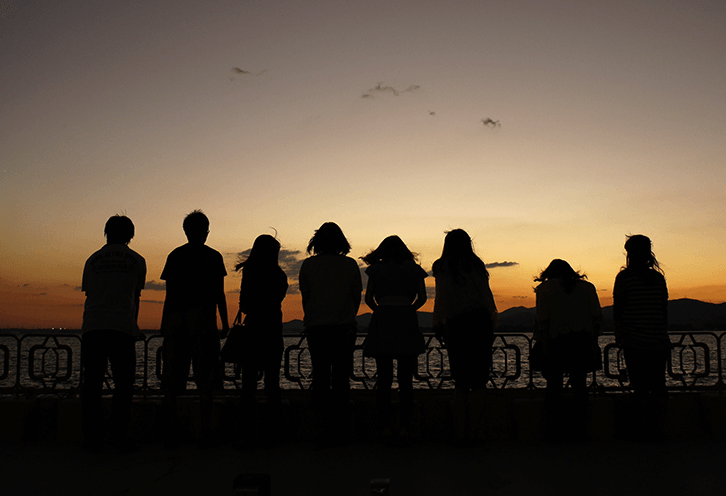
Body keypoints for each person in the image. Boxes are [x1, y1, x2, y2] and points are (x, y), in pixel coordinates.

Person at [160, 210, 230, 447]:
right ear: (206, 231)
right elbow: (219, 293)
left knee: (172, 378)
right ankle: (205, 430)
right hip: (204, 322)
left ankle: (170, 431)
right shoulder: (213, 256)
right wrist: (225, 323)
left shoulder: (175, 255)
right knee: (206, 380)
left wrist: (164, 324)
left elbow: (170, 294)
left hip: (176, 321)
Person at [81, 215, 146, 453]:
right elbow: (135, 297)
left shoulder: (92, 260)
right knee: (124, 385)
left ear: (106, 232)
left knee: (92, 385)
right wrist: (134, 325)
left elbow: (90, 294)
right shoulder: (137, 260)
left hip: (93, 327)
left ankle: (93, 437)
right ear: (130, 235)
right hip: (121, 328)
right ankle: (118, 434)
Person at [298, 222, 362, 446]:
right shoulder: (350, 265)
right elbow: (356, 297)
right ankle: (341, 430)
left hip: (317, 328)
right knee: (342, 380)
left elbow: (306, 298)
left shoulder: (308, 265)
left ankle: (321, 429)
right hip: (344, 328)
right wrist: (346, 316)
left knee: (320, 378)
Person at [432, 229, 497, 446]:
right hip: (478, 323)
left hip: (455, 325)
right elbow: (485, 295)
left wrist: (438, 323)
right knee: (479, 381)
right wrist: (493, 320)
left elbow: (440, 298)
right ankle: (476, 431)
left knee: (460, 381)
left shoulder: (441, 267)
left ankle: (460, 433)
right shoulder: (474, 265)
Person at [361, 235, 427, 443]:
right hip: (406, 320)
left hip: (383, 320)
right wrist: (408, 309)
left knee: (384, 378)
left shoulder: (376, 269)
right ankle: (405, 427)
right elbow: (423, 297)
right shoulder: (414, 269)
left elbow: (368, 298)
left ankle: (386, 427)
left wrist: (381, 310)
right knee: (406, 379)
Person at [534, 259, 602, 441]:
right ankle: (579, 429)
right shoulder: (587, 288)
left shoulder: (544, 289)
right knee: (580, 386)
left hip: (555, 342)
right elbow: (596, 317)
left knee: (553, 386)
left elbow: (542, 320)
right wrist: (593, 342)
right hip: (582, 341)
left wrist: (542, 345)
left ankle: (553, 430)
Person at [233, 234, 288, 448]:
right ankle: (273, 434)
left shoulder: (250, 272)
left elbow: (244, 304)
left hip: (253, 330)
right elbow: (278, 300)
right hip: (272, 330)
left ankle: (248, 435)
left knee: (248, 385)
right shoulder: (279, 275)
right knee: (272, 384)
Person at [613, 234, 669, 441]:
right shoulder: (658, 278)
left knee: (640, 387)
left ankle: (642, 429)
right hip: (658, 340)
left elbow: (618, 309)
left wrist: (619, 333)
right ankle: (658, 428)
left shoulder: (624, 278)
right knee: (659, 385)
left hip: (634, 340)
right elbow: (663, 310)